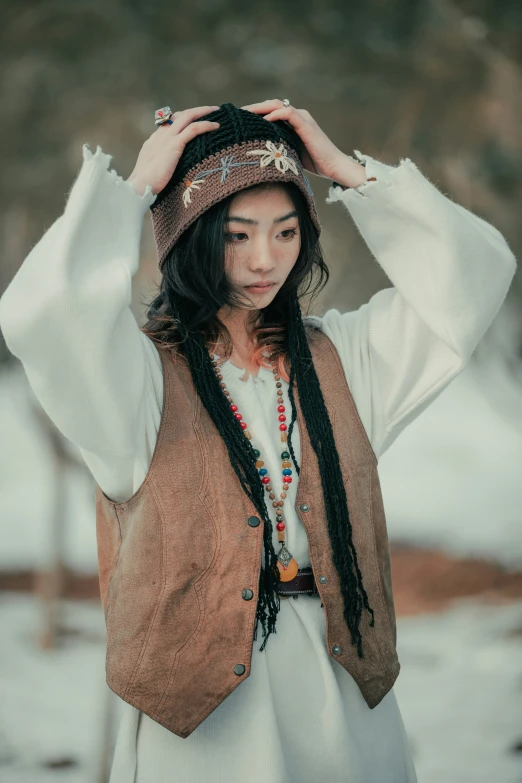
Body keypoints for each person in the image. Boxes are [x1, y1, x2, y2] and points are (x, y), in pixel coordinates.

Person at [0, 98, 516, 783]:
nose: (264, 259)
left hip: (344, 701)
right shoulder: (137, 380)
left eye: (286, 230)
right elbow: (44, 314)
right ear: (189, 234)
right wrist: (134, 192)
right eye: (236, 234)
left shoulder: (346, 360)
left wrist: (346, 172)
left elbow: (475, 277)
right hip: (206, 726)